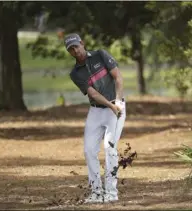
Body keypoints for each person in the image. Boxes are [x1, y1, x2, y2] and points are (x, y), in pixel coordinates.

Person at [64, 33, 126, 203]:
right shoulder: (75, 73)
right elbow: (93, 94)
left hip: (117, 105)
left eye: (76, 46)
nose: (75, 51)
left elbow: (118, 77)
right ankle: (96, 192)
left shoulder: (101, 55)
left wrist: (118, 102)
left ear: (82, 44)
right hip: (97, 110)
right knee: (89, 150)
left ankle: (111, 193)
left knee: (109, 147)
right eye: (71, 49)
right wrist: (111, 106)